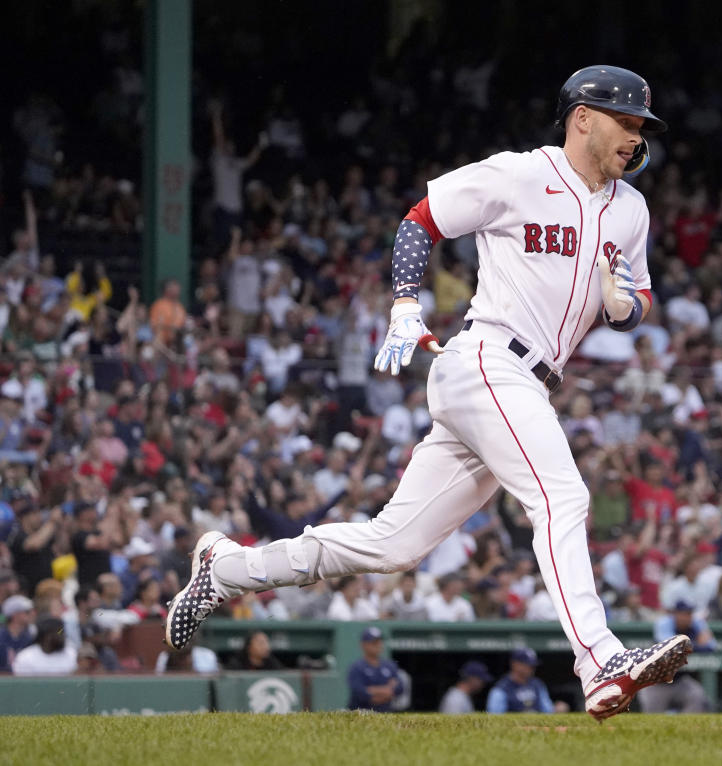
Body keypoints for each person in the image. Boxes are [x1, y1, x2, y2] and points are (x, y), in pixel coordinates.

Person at [165, 64, 692, 722]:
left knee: (393, 546)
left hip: (527, 385)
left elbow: (638, 296)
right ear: (582, 116)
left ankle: (225, 570)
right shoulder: (520, 174)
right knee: (562, 494)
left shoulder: (632, 209)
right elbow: (421, 221)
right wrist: (405, 303)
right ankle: (599, 657)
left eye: (642, 127)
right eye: (626, 121)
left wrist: (626, 310)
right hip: (487, 362)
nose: (636, 136)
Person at [639, 600, 715, 712]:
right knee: (651, 721)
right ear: (675, 614)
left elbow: (711, 645)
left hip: (679, 681)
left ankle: (687, 728)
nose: (686, 617)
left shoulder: (696, 623)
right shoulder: (664, 623)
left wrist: (695, 645)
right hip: (655, 683)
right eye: (683, 613)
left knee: (697, 696)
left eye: (689, 613)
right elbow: (672, 646)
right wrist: (697, 644)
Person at [346, 626, 408, 712]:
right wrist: (387, 690)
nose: (378, 645)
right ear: (363, 645)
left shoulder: (389, 665)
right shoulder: (356, 667)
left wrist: (373, 690)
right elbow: (361, 693)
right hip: (360, 714)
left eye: (380, 642)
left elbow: (399, 688)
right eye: (374, 642)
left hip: (386, 714)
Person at [486, 648, 554, 713]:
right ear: (514, 664)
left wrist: (556, 709)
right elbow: (495, 716)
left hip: (535, 724)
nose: (531, 668)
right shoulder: (501, 688)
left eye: (533, 666)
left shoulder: (537, 684)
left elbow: (548, 710)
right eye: (527, 664)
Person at [12, 616, 77, 676]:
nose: (61, 636)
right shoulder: (25, 657)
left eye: (62, 632)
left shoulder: (71, 654)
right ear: (44, 636)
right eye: (57, 632)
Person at [0, 595, 36, 672]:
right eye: (27, 612)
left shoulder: (33, 634)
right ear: (15, 615)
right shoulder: (1, 636)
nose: (33, 613)